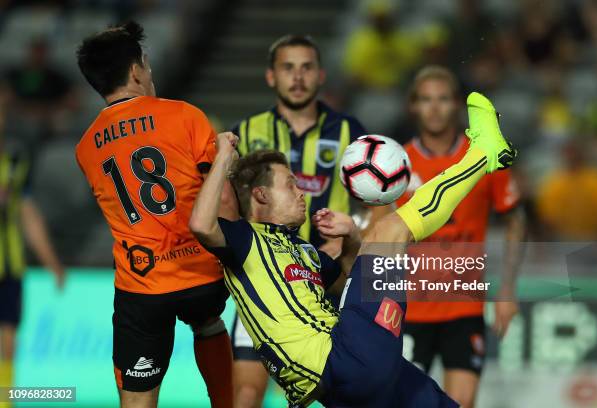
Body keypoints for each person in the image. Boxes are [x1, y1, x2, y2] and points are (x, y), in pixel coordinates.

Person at [189, 91, 516, 407]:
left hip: (348, 379)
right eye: (290, 183)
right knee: (388, 233)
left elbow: (351, 282)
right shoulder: (245, 241)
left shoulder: (303, 250)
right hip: (341, 361)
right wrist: (222, 159)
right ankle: (483, 154)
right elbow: (203, 224)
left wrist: (350, 240)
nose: (301, 190)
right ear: (260, 196)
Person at [74, 22, 235, 408]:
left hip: (142, 285)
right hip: (202, 272)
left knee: (137, 398)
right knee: (209, 322)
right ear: (135, 71)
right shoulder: (185, 116)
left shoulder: (86, 147)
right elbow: (224, 199)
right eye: (146, 64)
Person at [370, 66, 525, 408]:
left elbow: (515, 220)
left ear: (457, 105)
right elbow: (377, 235)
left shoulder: (486, 154)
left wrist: (509, 289)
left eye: (442, 99)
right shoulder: (395, 163)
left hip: (463, 305)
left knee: (462, 403)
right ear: (413, 106)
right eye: (426, 99)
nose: (435, 108)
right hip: (407, 307)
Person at [231, 34, 366, 407]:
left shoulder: (349, 132)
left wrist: (349, 235)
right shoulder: (245, 133)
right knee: (245, 391)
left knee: (343, 391)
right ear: (271, 77)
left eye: (306, 67)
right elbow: (229, 203)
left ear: (321, 75)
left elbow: (378, 203)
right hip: (266, 277)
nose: (298, 77)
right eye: (287, 68)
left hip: (329, 277)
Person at [0, 107, 65, 408]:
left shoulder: (14, 162)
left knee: (8, 335)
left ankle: (4, 400)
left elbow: (27, 212)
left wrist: (51, 261)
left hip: (9, 264)